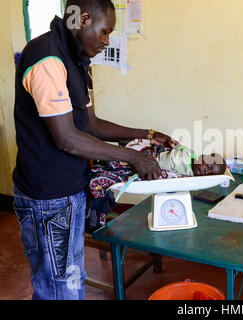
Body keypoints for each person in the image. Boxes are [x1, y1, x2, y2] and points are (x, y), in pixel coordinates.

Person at [13, 0, 177, 300]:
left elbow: (91, 124)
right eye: (105, 31)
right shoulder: (47, 58)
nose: (107, 41)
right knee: (61, 287)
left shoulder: (73, 60)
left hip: (68, 192)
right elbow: (67, 138)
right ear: (84, 19)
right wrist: (133, 157)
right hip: (47, 198)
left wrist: (148, 135)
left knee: (64, 280)